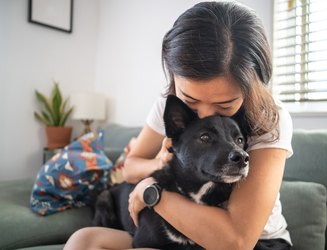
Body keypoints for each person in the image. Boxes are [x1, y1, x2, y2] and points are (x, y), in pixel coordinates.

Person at [64, 1, 293, 250]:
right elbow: (131, 166)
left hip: (251, 241)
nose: (204, 115)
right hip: (179, 229)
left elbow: (236, 242)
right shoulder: (171, 103)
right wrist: (158, 163)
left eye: (225, 106)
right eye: (191, 101)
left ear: (254, 86)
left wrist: (150, 192)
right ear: (173, 76)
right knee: (83, 241)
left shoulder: (269, 117)